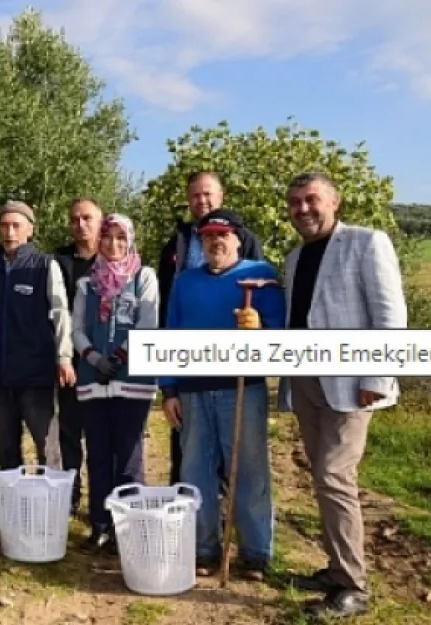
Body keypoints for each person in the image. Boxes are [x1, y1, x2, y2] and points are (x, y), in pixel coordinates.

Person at [278, 172, 407, 620]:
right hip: (307, 380)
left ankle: (354, 585)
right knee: (322, 475)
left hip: (352, 382)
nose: (303, 209)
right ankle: (336, 568)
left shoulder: (368, 243)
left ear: (335, 201)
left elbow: (390, 315)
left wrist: (378, 373)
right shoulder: (295, 257)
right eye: (295, 202)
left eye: (312, 199)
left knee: (334, 475)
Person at [159, 209, 285, 581]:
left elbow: (280, 334)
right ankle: (204, 548)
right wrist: (168, 388)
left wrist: (259, 327)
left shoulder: (260, 275)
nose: (215, 242)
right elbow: (171, 335)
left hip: (241, 388)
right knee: (196, 469)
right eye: (208, 236)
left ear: (237, 239)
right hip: (193, 390)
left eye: (223, 235)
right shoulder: (185, 282)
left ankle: (256, 552)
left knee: (248, 470)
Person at [157, 171, 266, 487]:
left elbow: (260, 295)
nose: (201, 200)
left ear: (221, 196)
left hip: (232, 365)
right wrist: (169, 383)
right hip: (188, 362)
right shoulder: (176, 243)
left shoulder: (245, 240)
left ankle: (226, 517)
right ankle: (189, 517)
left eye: (208, 194)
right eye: (195, 195)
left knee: (233, 452)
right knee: (188, 450)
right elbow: (168, 309)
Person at [70, 214, 159, 554]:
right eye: (107, 237)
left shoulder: (143, 277)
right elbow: (77, 328)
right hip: (94, 381)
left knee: (129, 456)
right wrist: (92, 358)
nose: (114, 244)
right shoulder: (86, 283)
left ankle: (132, 528)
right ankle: (101, 524)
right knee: (98, 455)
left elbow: (147, 324)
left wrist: (119, 357)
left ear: (131, 240)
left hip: (131, 380)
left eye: (121, 237)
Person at [0, 200, 75, 478]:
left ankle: (55, 501)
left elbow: (60, 314)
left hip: (36, 374)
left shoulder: (45, 266)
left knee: (46, 443)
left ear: (29, 230)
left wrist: (64, 357)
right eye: (5, 226)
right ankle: (11, 503)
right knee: (6, 446)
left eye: (16, 226)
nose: (10, 232)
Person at [53, 198, 103, 514]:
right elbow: (57, 311)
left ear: (100, 221)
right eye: (74, 219)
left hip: (105, 362)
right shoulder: (58, 260)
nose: (80, 224)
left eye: (87, 218)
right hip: (71, 361)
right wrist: (63, 356)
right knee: (69, 432)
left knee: (100, 436)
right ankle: (70, 495)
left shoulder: (115, 258)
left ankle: (102, 503)